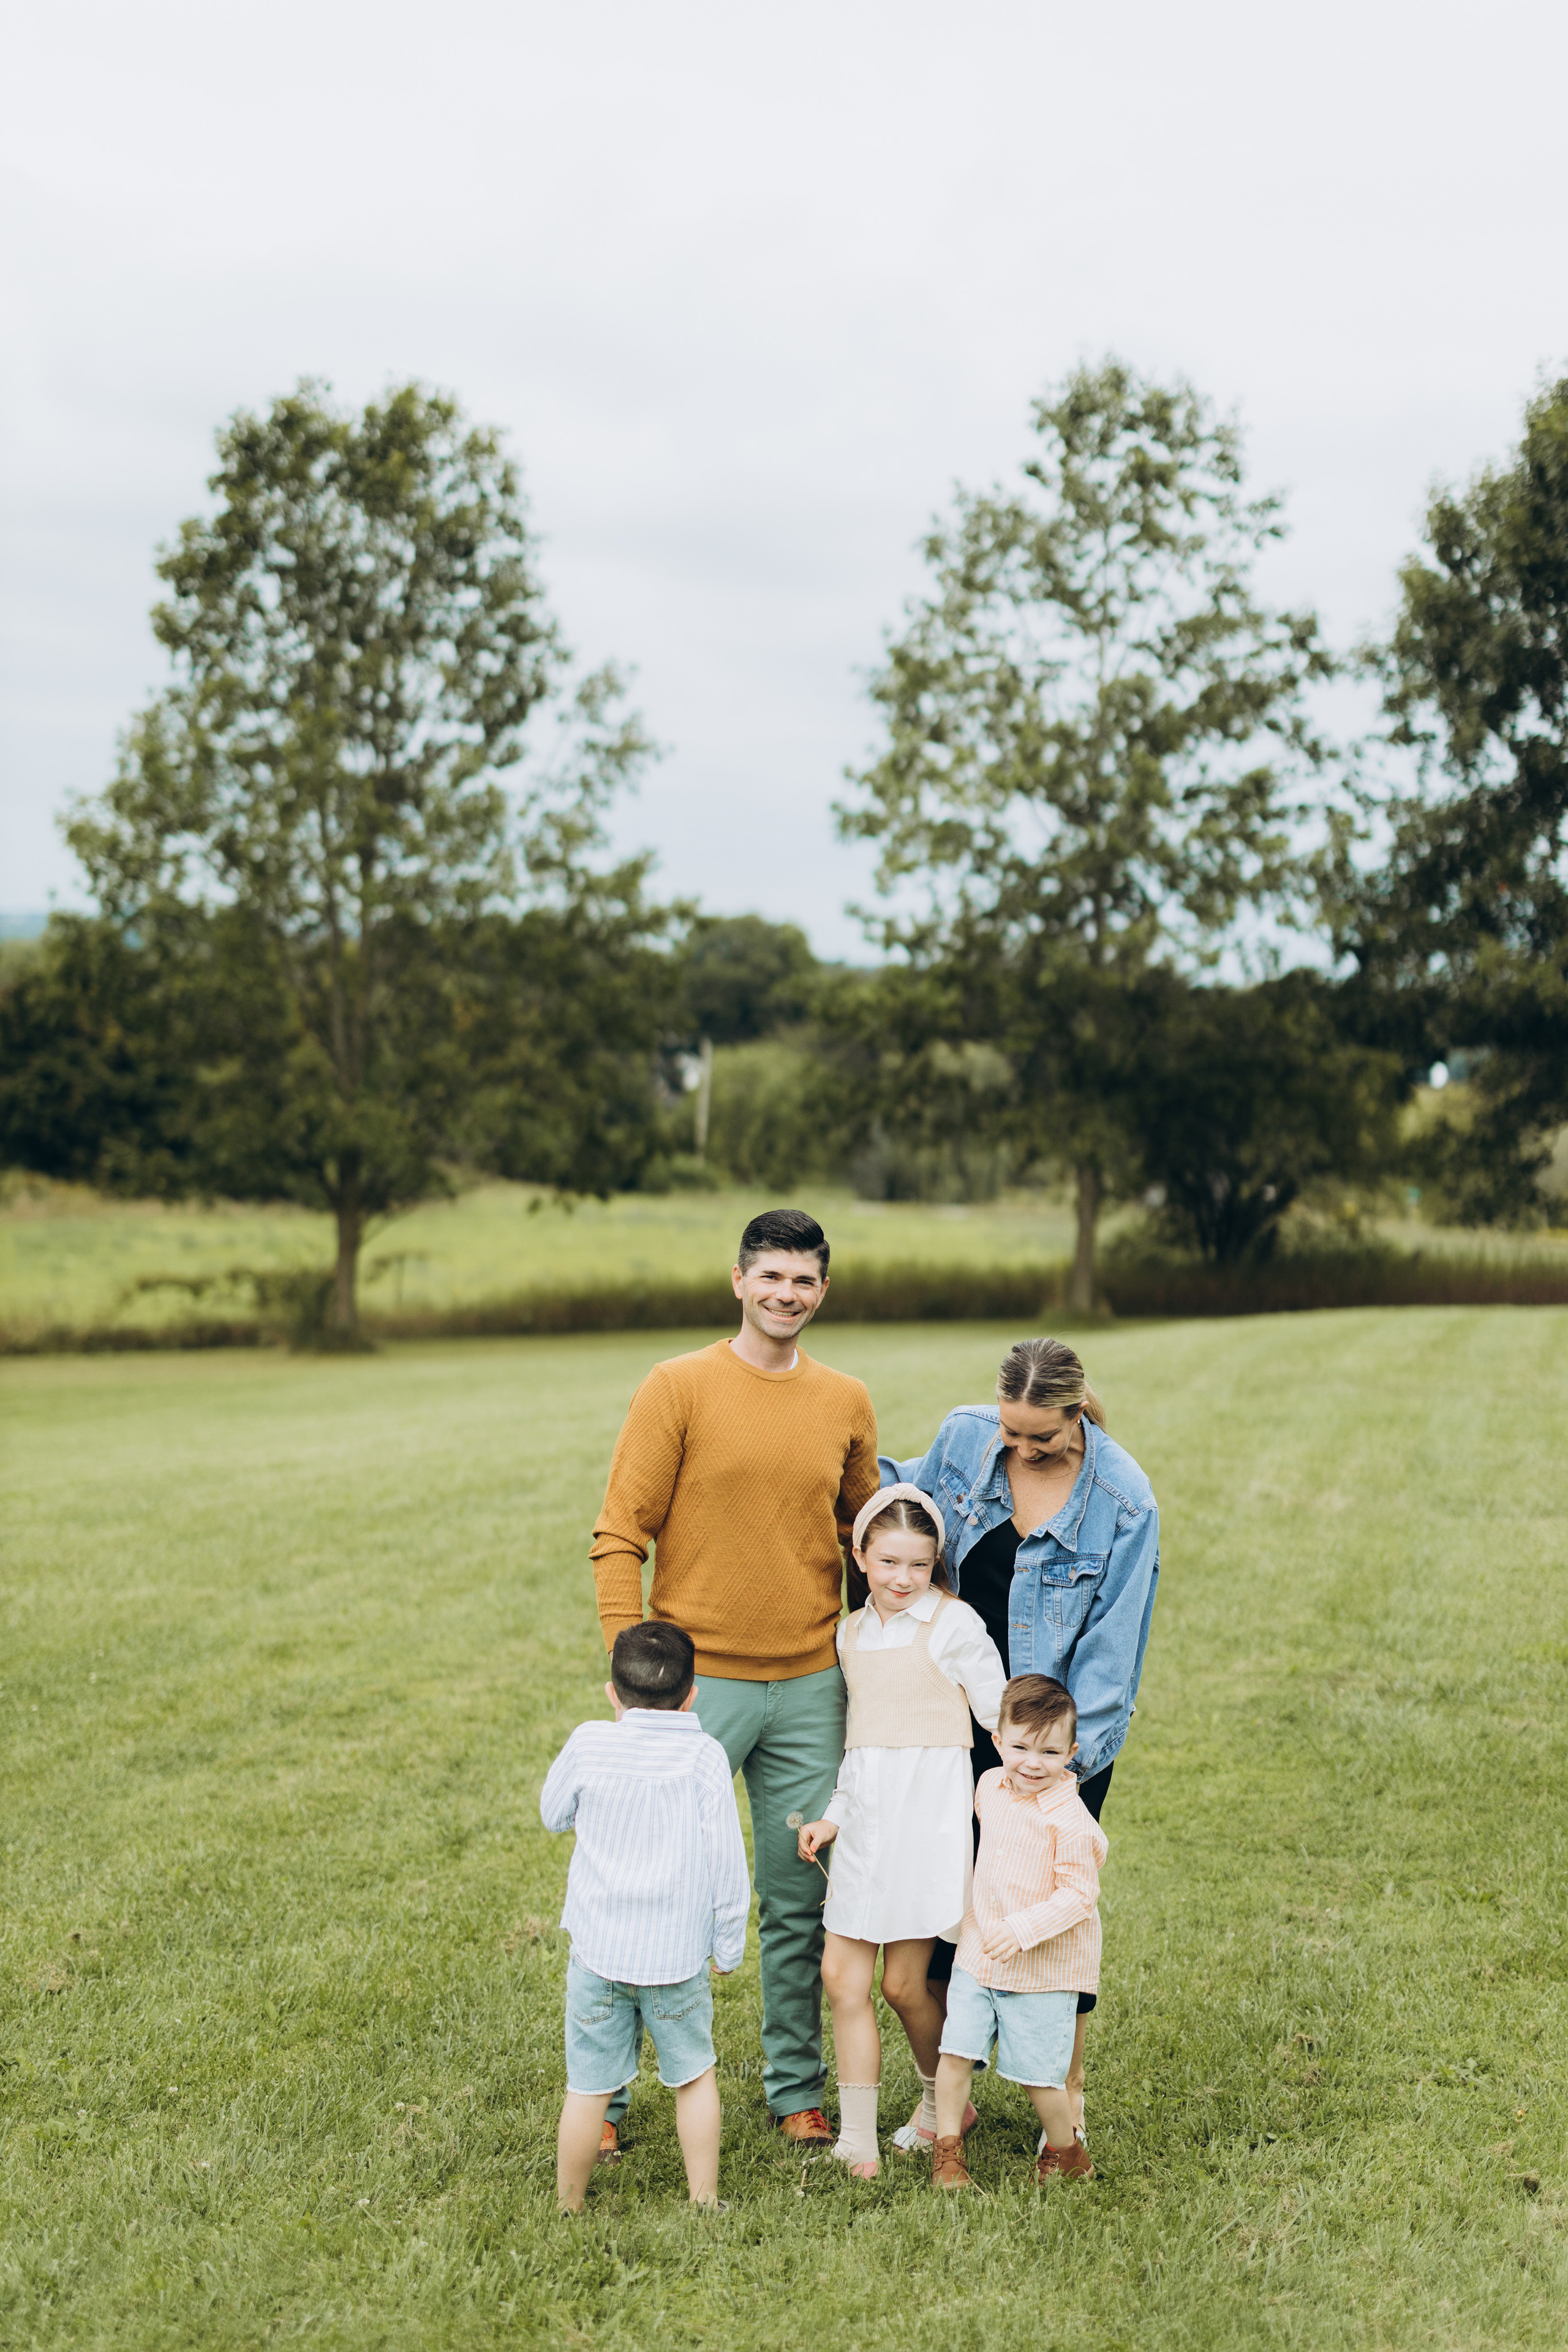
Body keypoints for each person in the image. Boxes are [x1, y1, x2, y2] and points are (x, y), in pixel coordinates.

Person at [589, 1207, 881, 2155]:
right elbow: (619, 1534)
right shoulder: (677, 1387)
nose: (787, 1295)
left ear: (823, 1292)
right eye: (771, 1278)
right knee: (656, 1884)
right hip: (693, 1687)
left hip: (807, 1684)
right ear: (739, 1281)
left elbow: (864, 1537)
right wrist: (630, 1669)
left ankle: (795, 2088)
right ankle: (613, 2101)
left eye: (804, 1281)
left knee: (801, 1897)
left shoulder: (846, 1399)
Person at [880, 1335, 1158, 2154]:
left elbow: (1113, 1653)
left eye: (1042, 1439)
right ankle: (946, 2096)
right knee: (949, 1908)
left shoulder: (1123, 1499)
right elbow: (907, 1501)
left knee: (1048, 1918)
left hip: (1050, 1740)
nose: (1022, 1451)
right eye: (1013, 1434)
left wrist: (1058, 1767)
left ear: (1078, 1412)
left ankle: (1064, 2107)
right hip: (954, 1719)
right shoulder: (968, 1436)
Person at [794, 1485, 1006, 2177]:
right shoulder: (849, 1635)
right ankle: (856, 2140)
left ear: (935, 1562)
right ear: (859, 1555)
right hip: (864, 1822)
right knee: (841, 1977)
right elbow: (863, 1745)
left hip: (928, 1825)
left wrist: (1020, 1803)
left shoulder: (953, 1625)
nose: (901, 1579)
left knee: (904, 1986)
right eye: (887, 1562)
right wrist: (832, 1815)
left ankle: (939, 2105)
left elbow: (1000, 1719)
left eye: (918, 1565)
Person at [540, 1621, 750, 2213]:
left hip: (599, 1953)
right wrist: (728, 1946)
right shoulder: (705, 1756)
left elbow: (553, 1814)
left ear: (613, 1693)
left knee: (588, 2086)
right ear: (692, 1695)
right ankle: (705, 2201)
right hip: (676, 1958)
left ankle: (569, 2205)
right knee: (693, 2076)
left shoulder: (588, 1742)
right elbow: (727, 1865)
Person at [930, 1673, 1106, 2191]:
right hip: (979, 1955)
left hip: (1042, 1968)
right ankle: (948, 2151)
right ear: (998, 1742)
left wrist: (1024, 1929)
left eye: (1050, 1752)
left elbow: (1080, 1894)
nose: (1033, 1762)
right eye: (1021, 1747)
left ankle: (1066, 2150)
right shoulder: (990, 1787)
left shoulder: (1070, 1820)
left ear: (1072, 1753)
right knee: (955, 2053)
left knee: (1039, 2077)